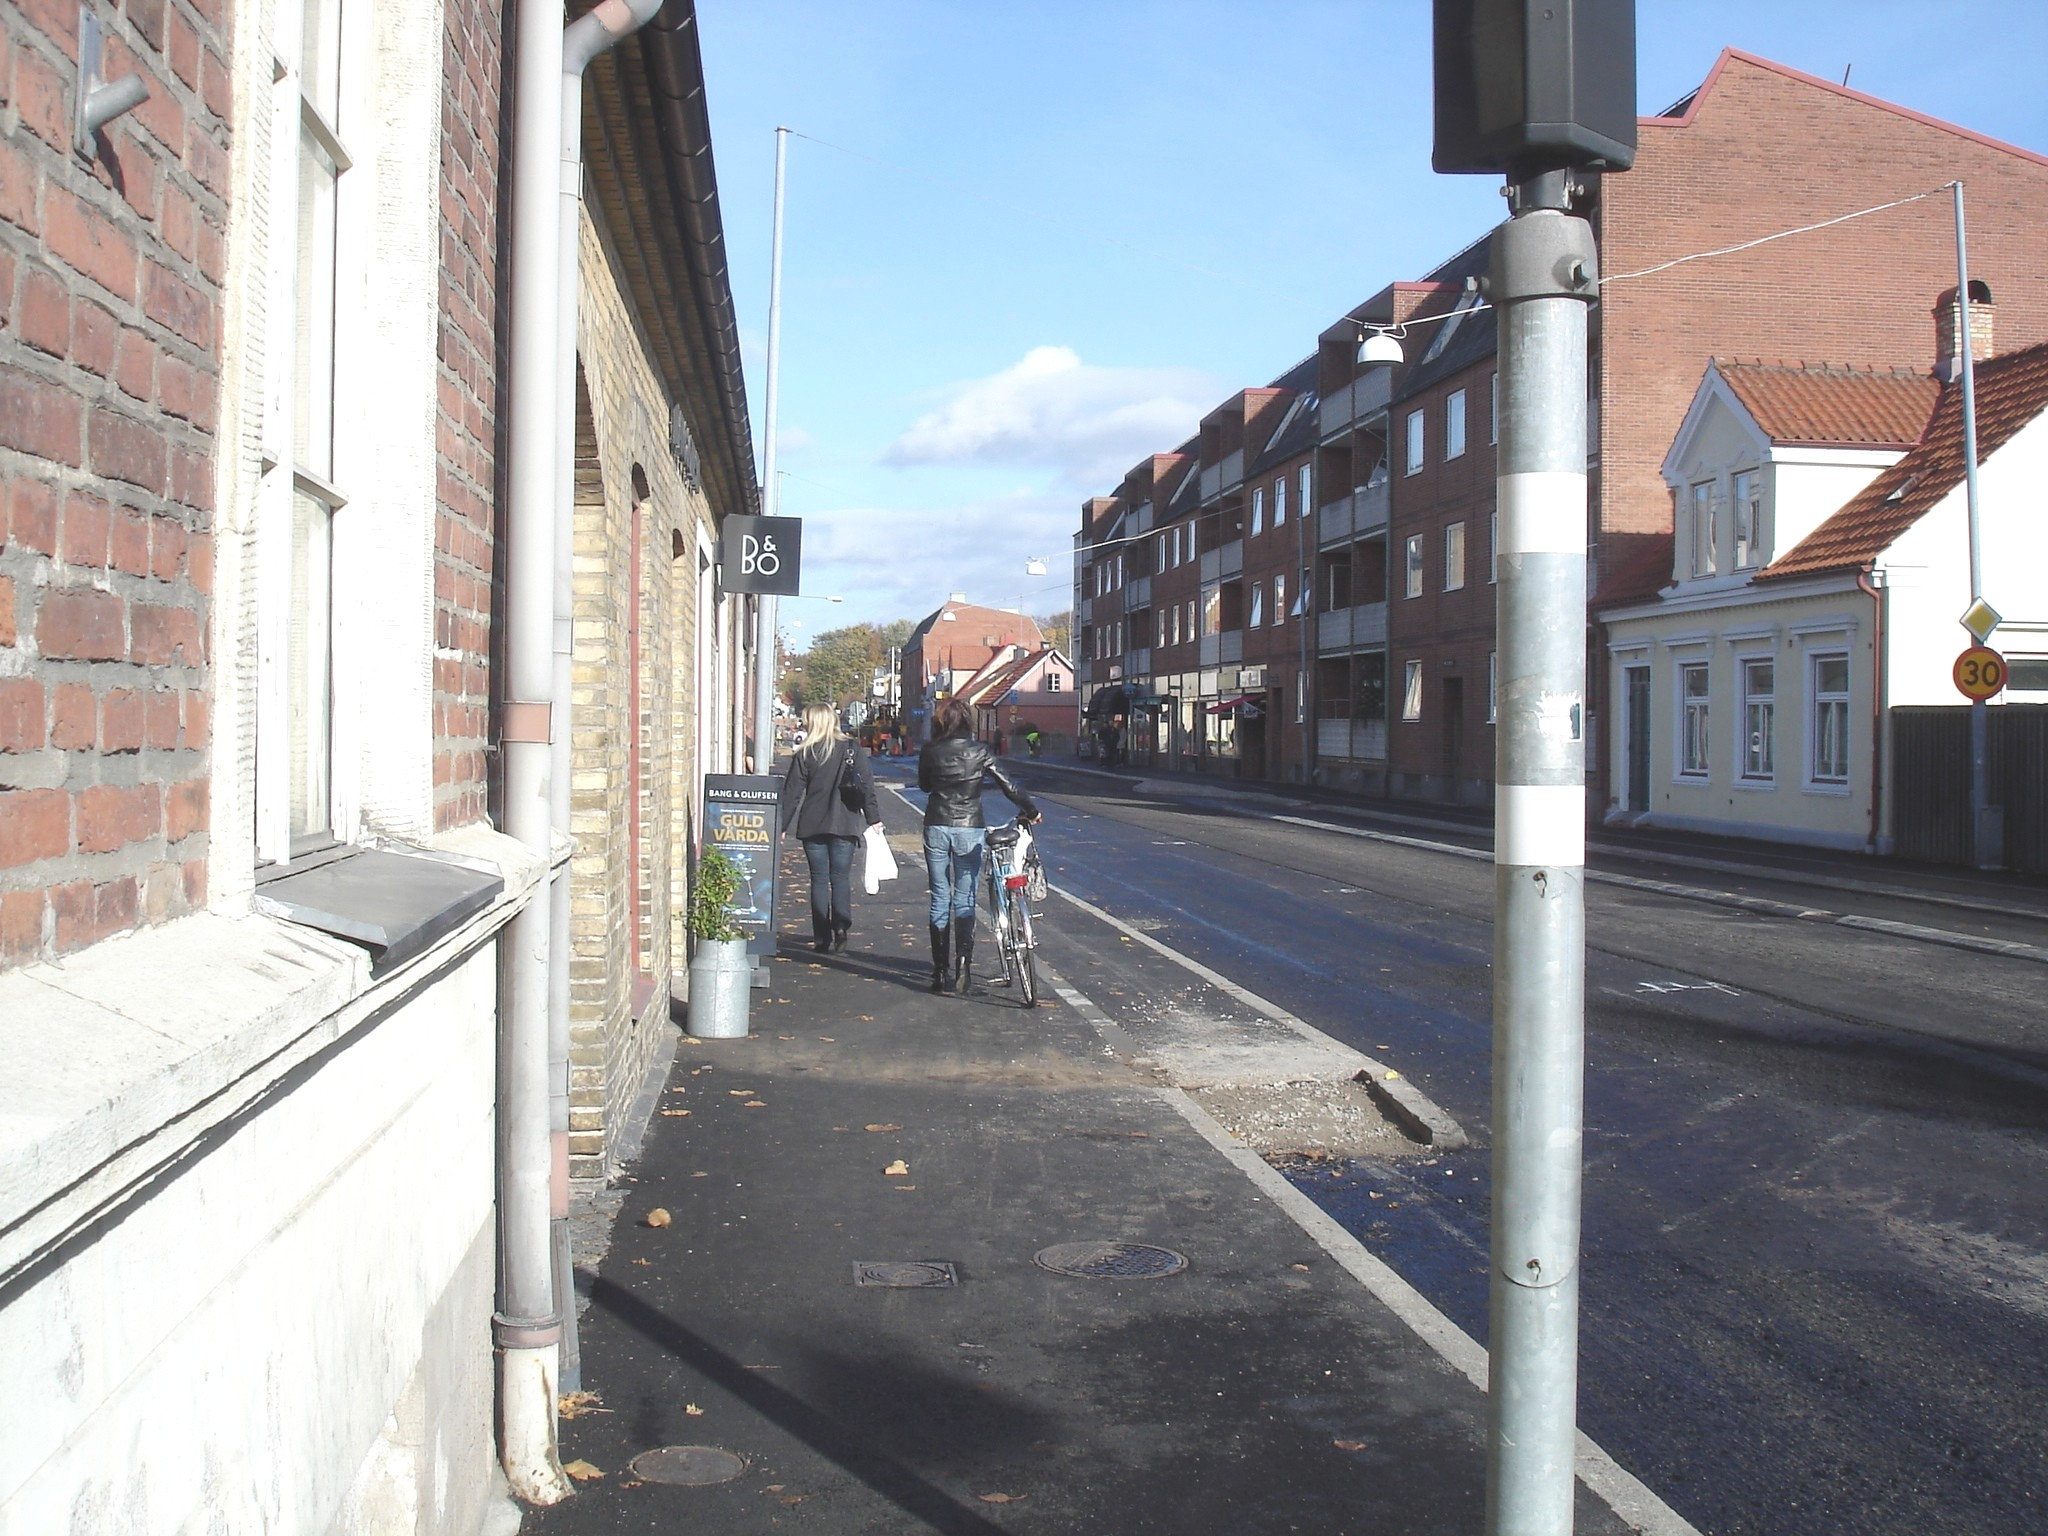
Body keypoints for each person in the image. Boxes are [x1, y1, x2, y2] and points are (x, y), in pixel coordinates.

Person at [918, 697, 1039, 995]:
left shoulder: (930, 750)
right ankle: (963, 967)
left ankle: (938, 972)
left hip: (936, 824)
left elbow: (923, 786)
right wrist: (1031, 810)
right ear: (968, 721)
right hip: (968, 827)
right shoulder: (979, 751)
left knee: (939, 897)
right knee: (964, 898)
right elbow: (1008, 785)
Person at [777, 703, 882, 952]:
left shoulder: (805, 753)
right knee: (840, 878)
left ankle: (821, 936)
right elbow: (866, 786)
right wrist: (873, 818)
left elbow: (792, 792)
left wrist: (781, 825)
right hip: (844, 823)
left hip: (813, 824)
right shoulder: (851, 749)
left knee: (819, 880)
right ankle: (841, 927)